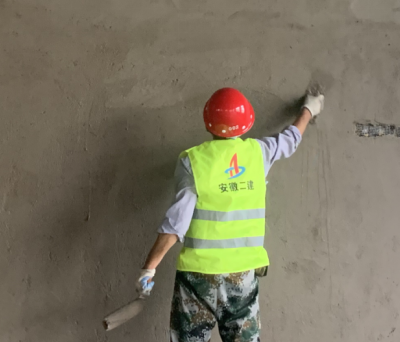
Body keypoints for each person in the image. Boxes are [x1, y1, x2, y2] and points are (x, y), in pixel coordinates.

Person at [136, 87, 324, 342]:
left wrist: (149, 269)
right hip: (241, 278)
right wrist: (309, 109)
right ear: (247, 123)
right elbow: (290, 139)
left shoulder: (193, 162)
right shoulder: (260, 153)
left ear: (208, 124)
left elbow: (175, 224)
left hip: (197, 278)